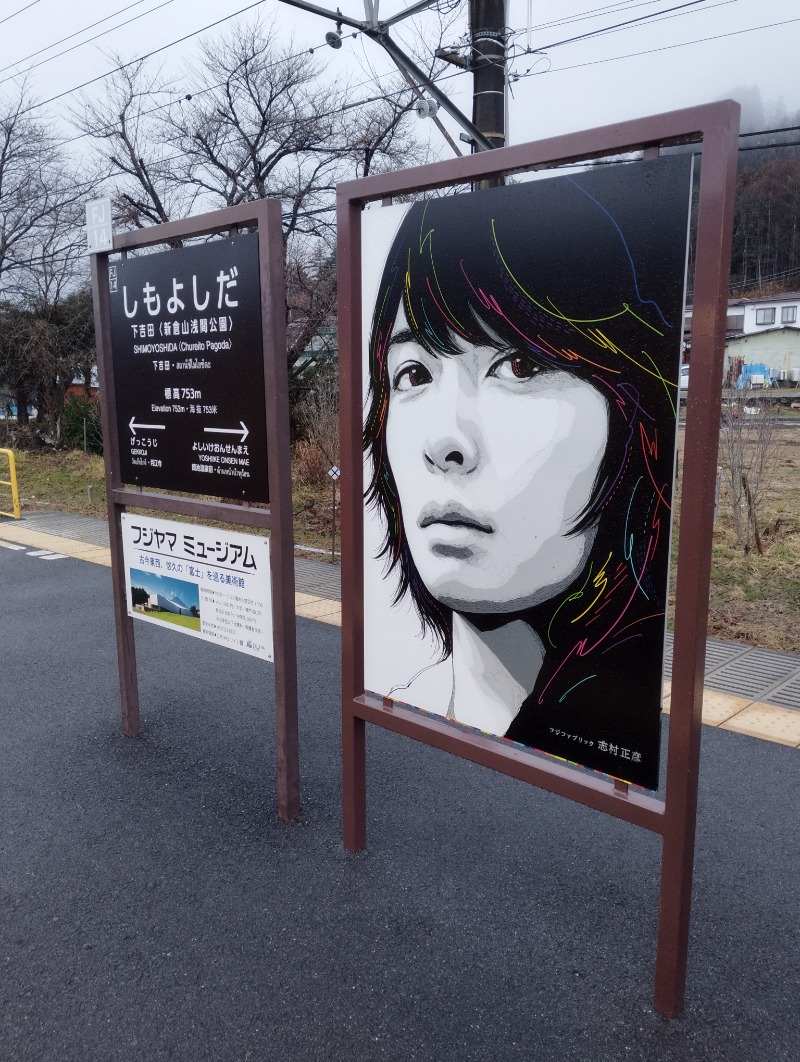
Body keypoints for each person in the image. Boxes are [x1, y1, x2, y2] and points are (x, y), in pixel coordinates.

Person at [363, 159, 691, 790]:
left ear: (632, 416)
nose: (444, 442)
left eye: (517, 366)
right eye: (414, 374)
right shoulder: (415, 689)